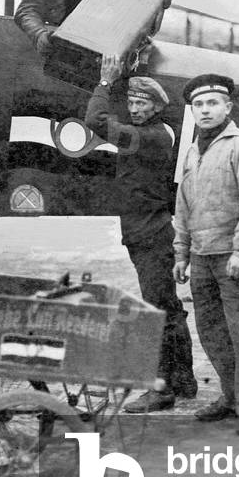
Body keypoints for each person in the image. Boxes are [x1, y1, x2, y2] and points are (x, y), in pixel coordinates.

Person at [84, 54, 196, 412]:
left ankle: (161, 388)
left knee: (155, 309)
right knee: (169, 307)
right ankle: (184, 380)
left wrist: (105, 82)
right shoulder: (157, 132)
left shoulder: (148, 138)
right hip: (149, 233)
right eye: (130, 101)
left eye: (141, 103)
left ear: (157, 107)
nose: (133, 108)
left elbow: (96, 120)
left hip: (150, 235)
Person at [172, 74, 239, 435]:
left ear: (228, 107)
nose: (205, 110)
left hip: (234, 258)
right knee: (212, 333)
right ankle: (231, 397)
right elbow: (183, 206)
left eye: (212, 103)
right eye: (198, 105)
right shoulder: (193, 151)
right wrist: (181, 253)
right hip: (201, 257)